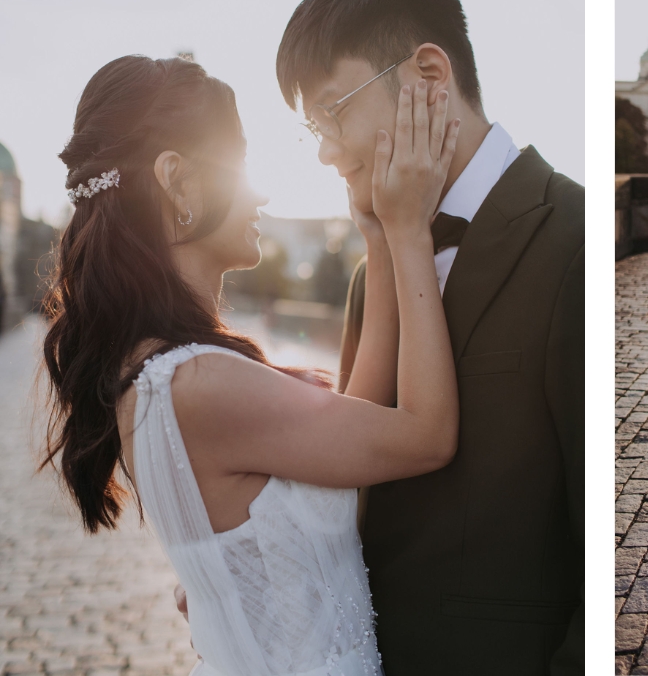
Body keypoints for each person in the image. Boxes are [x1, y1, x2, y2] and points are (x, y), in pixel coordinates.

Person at [42, 53, 460, 674]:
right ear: (178, 182)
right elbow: (427, 436)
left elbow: (355, 426)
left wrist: (374, 239)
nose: (259, 190)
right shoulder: (200, 383)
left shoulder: (157, 371)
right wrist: (408, 231)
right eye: (238, 163)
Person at [274, 0, 583, 675]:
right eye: (311, 129)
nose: (325, 150)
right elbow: (353, 483)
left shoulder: (576, 242)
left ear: (429, 78)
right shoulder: (368, 275)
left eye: (333, 112)